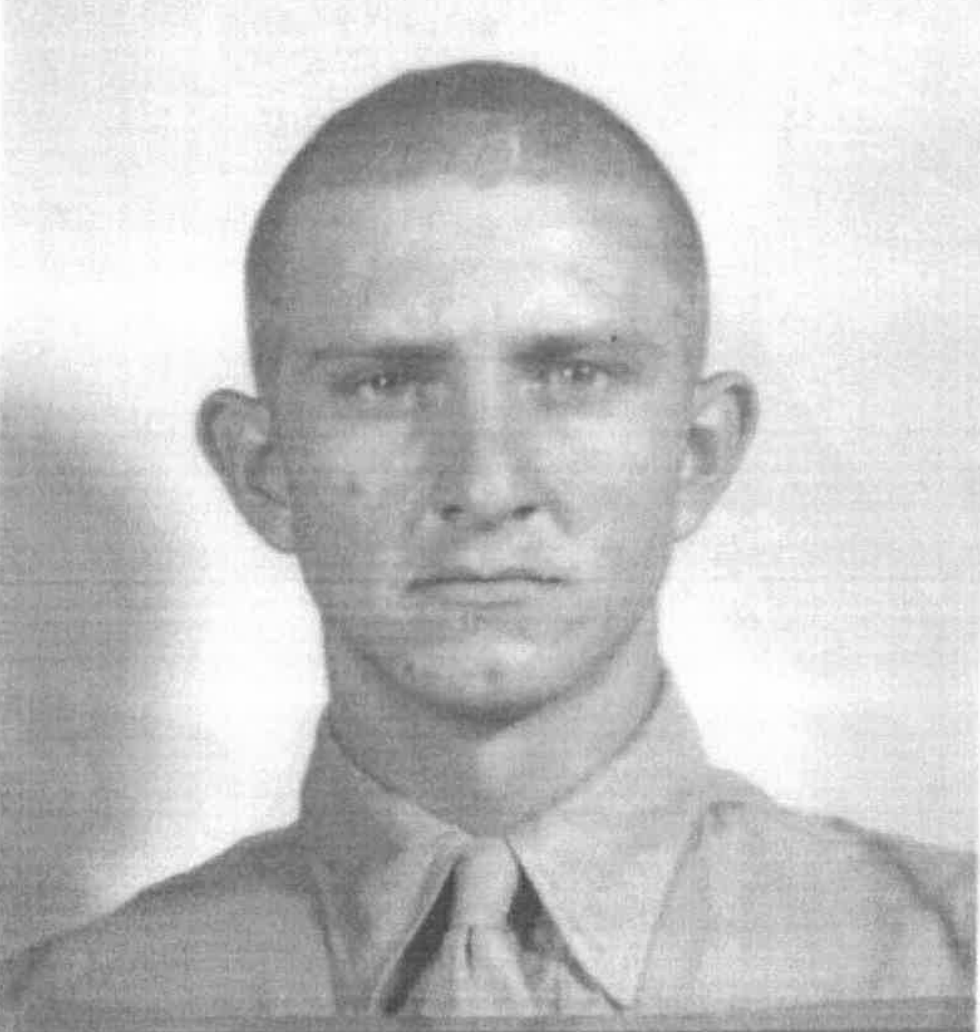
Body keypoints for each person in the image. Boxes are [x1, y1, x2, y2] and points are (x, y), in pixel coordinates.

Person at [4, 60, 974, 1026]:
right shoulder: (69, 1011)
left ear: (695, 452)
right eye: (384, 384)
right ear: (263, 471)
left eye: (574, 376)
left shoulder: (949, 969)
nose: (485, 486)